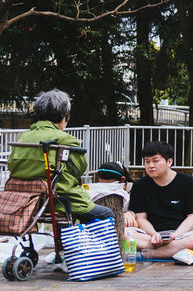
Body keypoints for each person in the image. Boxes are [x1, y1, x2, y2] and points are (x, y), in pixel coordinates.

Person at [6, 89, 113, 223]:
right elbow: (79, 170)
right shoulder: (66, 140)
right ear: (65, 115)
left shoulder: (23, 137)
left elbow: (11, 165)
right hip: (57, 200)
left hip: (24, 200)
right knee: (106, 213)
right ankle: (86, 243)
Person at [128, 140, 193, 260]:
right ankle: (169, 251)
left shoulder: (188, 182)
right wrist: (154, 235)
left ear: (169, 162)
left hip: (181, 233)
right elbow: (141, 218)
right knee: (124, 234)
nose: (151, 165)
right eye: (147, 162)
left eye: (155, 160)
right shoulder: (139, 185)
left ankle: (143, 254)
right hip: (150, 235)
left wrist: (175, 236)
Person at [92, 161, 136, 227]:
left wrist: (130, 213)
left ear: (122, 180)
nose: (106, 191)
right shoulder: (97, 192)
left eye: (110, 186)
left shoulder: (134, 189)